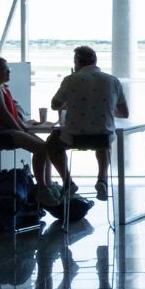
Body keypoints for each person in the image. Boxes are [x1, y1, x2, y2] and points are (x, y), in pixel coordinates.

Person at [47, 46, 128, 201]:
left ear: (77, 62)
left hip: (74, 137)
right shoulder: (112, 80)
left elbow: (55, 105)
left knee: (52, 144)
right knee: (103, 142)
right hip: (101, 137)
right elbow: (124, 113)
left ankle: (68, 181)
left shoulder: (70, 80)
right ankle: (102, 179)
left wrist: (70, 101)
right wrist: (107, 109)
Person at [0, 56, 57, 189]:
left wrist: (25, 126)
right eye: (6, 70)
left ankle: (48, 184)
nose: (9, 72)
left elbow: (12, 113)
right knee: (41, 149)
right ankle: (42, 186)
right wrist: (19, 129)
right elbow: (4, 114)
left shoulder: (2, 88)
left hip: (5, 130)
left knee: (46, 148)